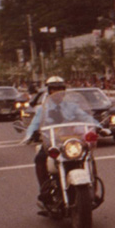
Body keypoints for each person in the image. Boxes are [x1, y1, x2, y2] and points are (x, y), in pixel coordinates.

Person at [23, 76, 99, 209]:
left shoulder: (71, 106)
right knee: (40, 159)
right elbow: (34, 124)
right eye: (54, 89)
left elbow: (86, 117)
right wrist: (29, 135)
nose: (58, 93)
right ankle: (45, 192)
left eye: (60, 89)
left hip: (70, 141)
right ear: (49, 91)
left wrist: (99, 127)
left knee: (88, 156)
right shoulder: (43, 109)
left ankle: (92, 189)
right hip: (52, 142)